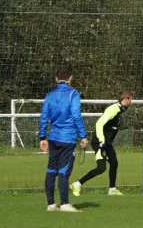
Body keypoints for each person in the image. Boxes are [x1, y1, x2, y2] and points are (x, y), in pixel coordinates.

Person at [38, 67, 88, 213]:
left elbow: (43, 116)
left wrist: (42, 137)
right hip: (68, 137)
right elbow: (76, 115)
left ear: (56, 79)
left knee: (51, 170)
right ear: (70, 78)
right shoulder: (73, 94)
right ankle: (65, 203)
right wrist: (83, 135)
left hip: (53, 137)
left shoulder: (50, 95)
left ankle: (51, 205)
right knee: (63, 171)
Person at [71, 90, 132, 197]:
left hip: (107, 143)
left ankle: (112, 189)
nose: (131, 102)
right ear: (125, 100)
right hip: (100, 143)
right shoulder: (113, 109)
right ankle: (77, 184)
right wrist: (101, 140)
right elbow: (99, 123)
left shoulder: (120, 110)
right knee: (101, 168)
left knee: (114, 163)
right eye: (130, 100)